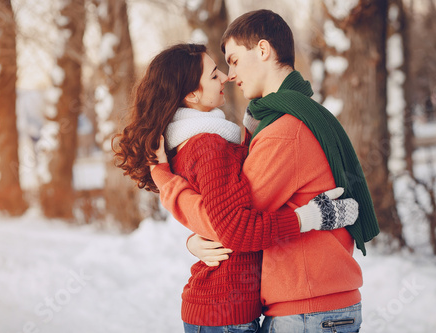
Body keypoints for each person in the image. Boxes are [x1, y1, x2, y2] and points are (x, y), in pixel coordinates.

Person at [149, 10, 380, 333]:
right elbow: (231, 218)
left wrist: (166, 183)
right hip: (314, 305)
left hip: (307, 309)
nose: (230, 75)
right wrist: (194, 240)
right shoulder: (287, 117)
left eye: (233, 61)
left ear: (262, 50)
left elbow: (231, 221)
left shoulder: (284, 130)